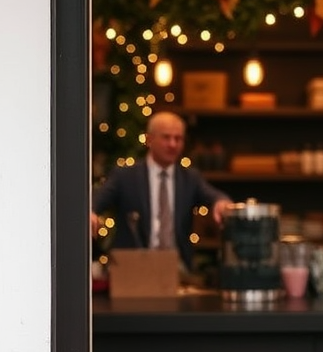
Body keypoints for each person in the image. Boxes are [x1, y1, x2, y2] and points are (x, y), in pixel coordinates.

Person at [91, 111, 232, 270]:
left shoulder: (190, 178)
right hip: (132, 268)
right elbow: (97, 199)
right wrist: (90, 212)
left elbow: (214, 196)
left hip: (177, 268)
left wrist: (221, 203)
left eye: (178, 139)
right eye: (166, 137)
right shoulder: (125, 176)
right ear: (150, 139)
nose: (173, 144)